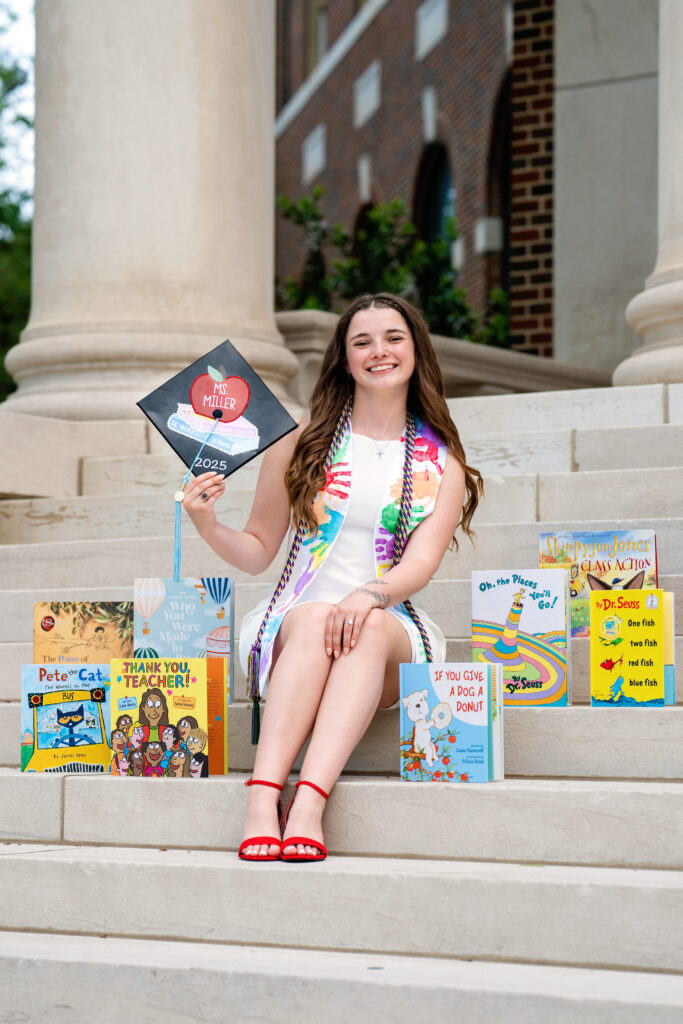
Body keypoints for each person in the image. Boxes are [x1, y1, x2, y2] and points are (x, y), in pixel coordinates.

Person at [182, 293, 482, 862]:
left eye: (393, 338)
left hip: (389, 626)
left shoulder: (442, 462)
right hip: (292, 625)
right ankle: (262, 798)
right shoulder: (302, 439)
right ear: (344, 360)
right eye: (361, 342)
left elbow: (419, 565)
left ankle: (310, 803)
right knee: (319, 614)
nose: (379, 352)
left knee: (363, 625)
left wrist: (366, 597)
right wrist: (206, 523)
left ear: (415, 350)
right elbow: (256, 552)